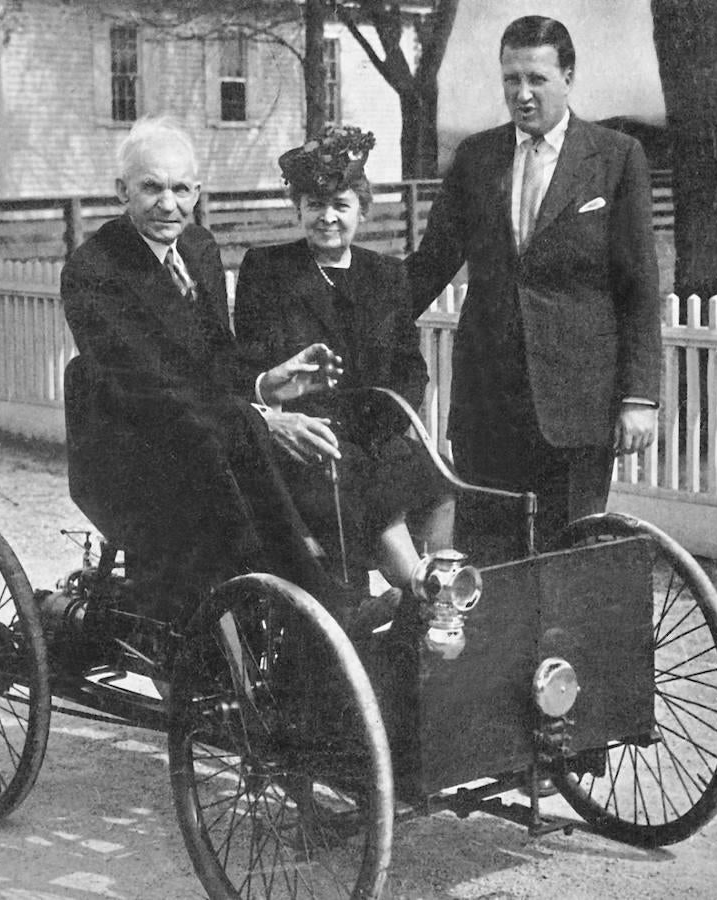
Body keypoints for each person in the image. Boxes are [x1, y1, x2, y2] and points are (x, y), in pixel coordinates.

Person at [60, 115, 378, 623]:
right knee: (256, 448)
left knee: (322, 447)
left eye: (181, 188)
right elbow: (148, 388)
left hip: (206, 434)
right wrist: (258, 420)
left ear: (198, 191)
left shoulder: (198, 249)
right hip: (131, 453)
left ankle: (309, 613)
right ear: (122, 191)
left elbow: (215, 359)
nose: (168, 204)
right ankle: (319, 602)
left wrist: (264, 383)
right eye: (151, 188)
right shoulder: (95, 270)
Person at [406, 16, 662, 552]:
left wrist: (640, 396)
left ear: (568, 78)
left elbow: (638, 287)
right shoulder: (476, 158)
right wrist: (358, 317)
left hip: (576, 408)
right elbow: (430, 266)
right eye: (510, 80)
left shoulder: (616, 158)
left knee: (566, 560)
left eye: (537, 79)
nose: (522, 95)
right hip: (487, 404)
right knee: (488, 559)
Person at [234, 125, 449, 593]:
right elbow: (246, 364)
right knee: (366, 482)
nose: (328, 217)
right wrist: (277, 403)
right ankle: (421, 591)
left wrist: (391, 419)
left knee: (441, 478)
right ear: (299, 210)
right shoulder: (268, 271)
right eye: (315, 205)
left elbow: (411, 367)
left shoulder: (387, 275)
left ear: (363, 212)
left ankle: (437, 582)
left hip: (377, 431)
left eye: (341, 206)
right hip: (304, 440)